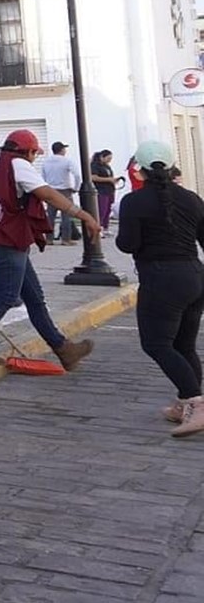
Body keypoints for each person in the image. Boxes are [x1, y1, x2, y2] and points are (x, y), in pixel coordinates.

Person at [0, 129, 98, 368]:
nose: (33, 159)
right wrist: (83, 215)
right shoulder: (17, 165)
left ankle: (63, 349)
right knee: (6, 296)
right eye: (34, 154)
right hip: (7, 240)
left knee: (34, 298)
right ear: (29, 151)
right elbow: (49, 195)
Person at [114, 140, 204, 437]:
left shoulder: (133, 202)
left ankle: (197, 402)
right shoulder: (191, 199)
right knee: (183, 344)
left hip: (160, 278)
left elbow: (127, 244)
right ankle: (184, 403)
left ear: (138, 171)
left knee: (156, 344)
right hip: (194, 275)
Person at [40, 141, 83, 244]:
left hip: (50, 190)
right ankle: (66, 239)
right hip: (65, 190)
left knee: (50, 216)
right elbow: (77, 175)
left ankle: (49, 239)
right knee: (66, 215)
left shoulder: (46, 162)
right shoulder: (67, 161)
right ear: (62, 150)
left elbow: (42, 177)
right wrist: (76, 187)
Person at [91, 150, 120, 232]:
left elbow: (109, 177)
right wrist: (108, 179)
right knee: (102, 209)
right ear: (102, 157)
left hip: (110, 190)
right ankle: (99, 227)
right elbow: (93, 177)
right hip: (101, 190)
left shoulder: (107, 166)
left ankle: (105, 227)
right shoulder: (95, 166)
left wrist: (113, 180)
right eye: (108, 158)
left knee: (108, 210)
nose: (110, 160)